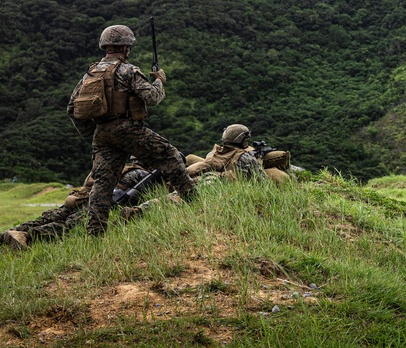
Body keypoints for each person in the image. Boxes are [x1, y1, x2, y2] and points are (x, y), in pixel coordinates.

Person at [67, 24, 195, 237]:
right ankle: (194, 202)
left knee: (102, 184)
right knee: (170, 156)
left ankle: (95, 235)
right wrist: (159, 80)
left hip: (102, 134)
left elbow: (72, 108)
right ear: (125, 47)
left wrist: (92, 133)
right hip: (127, 129)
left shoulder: (89, 73)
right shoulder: (128, 70)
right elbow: (152, 98)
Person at [1, 162, 159, 250]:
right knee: (67, 227)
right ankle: (27, 235)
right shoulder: (139, 174)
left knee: (47, 218)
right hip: (95, 202)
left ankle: (7, 235)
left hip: (77, 198)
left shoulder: (114, 163)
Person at [186, 124, 266, 181]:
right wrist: (259, 162)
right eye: (246, 139)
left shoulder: (213, 153)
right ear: (241, 139)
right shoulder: (245, 157)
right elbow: (262, 180)